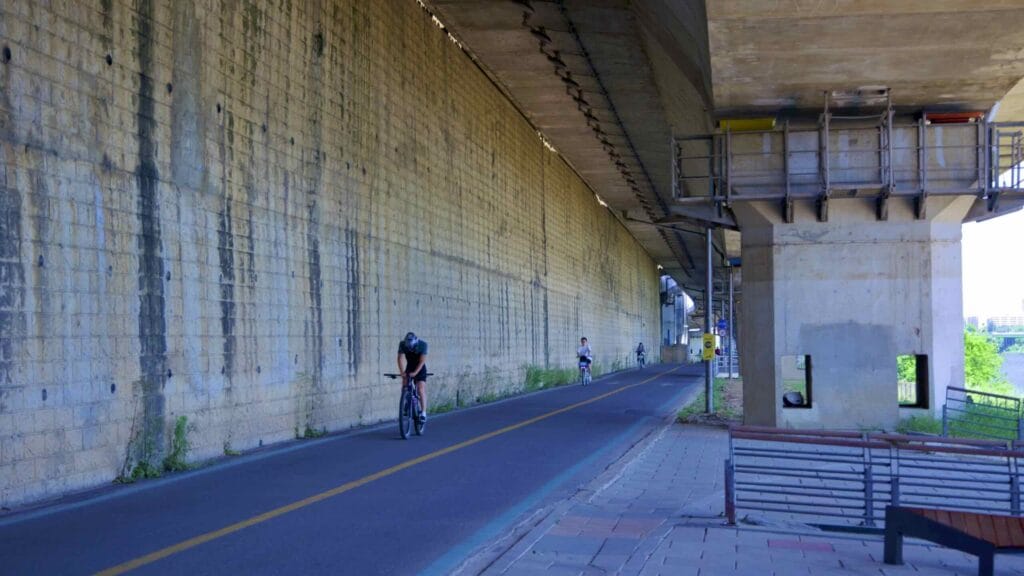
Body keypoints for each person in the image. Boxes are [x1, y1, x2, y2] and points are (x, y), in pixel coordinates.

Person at [397, 332, 429, 421]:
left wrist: (415, 373)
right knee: (404, 385)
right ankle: (407, 401)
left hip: (420, 368)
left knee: (420, 389)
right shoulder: (402, 344)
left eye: (412, 348)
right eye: (408, 348)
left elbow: (422, 361)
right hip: (410, 366)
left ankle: (423, 413)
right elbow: (400, 358)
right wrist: (402, 372)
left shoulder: (423, 345)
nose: (410, 349)